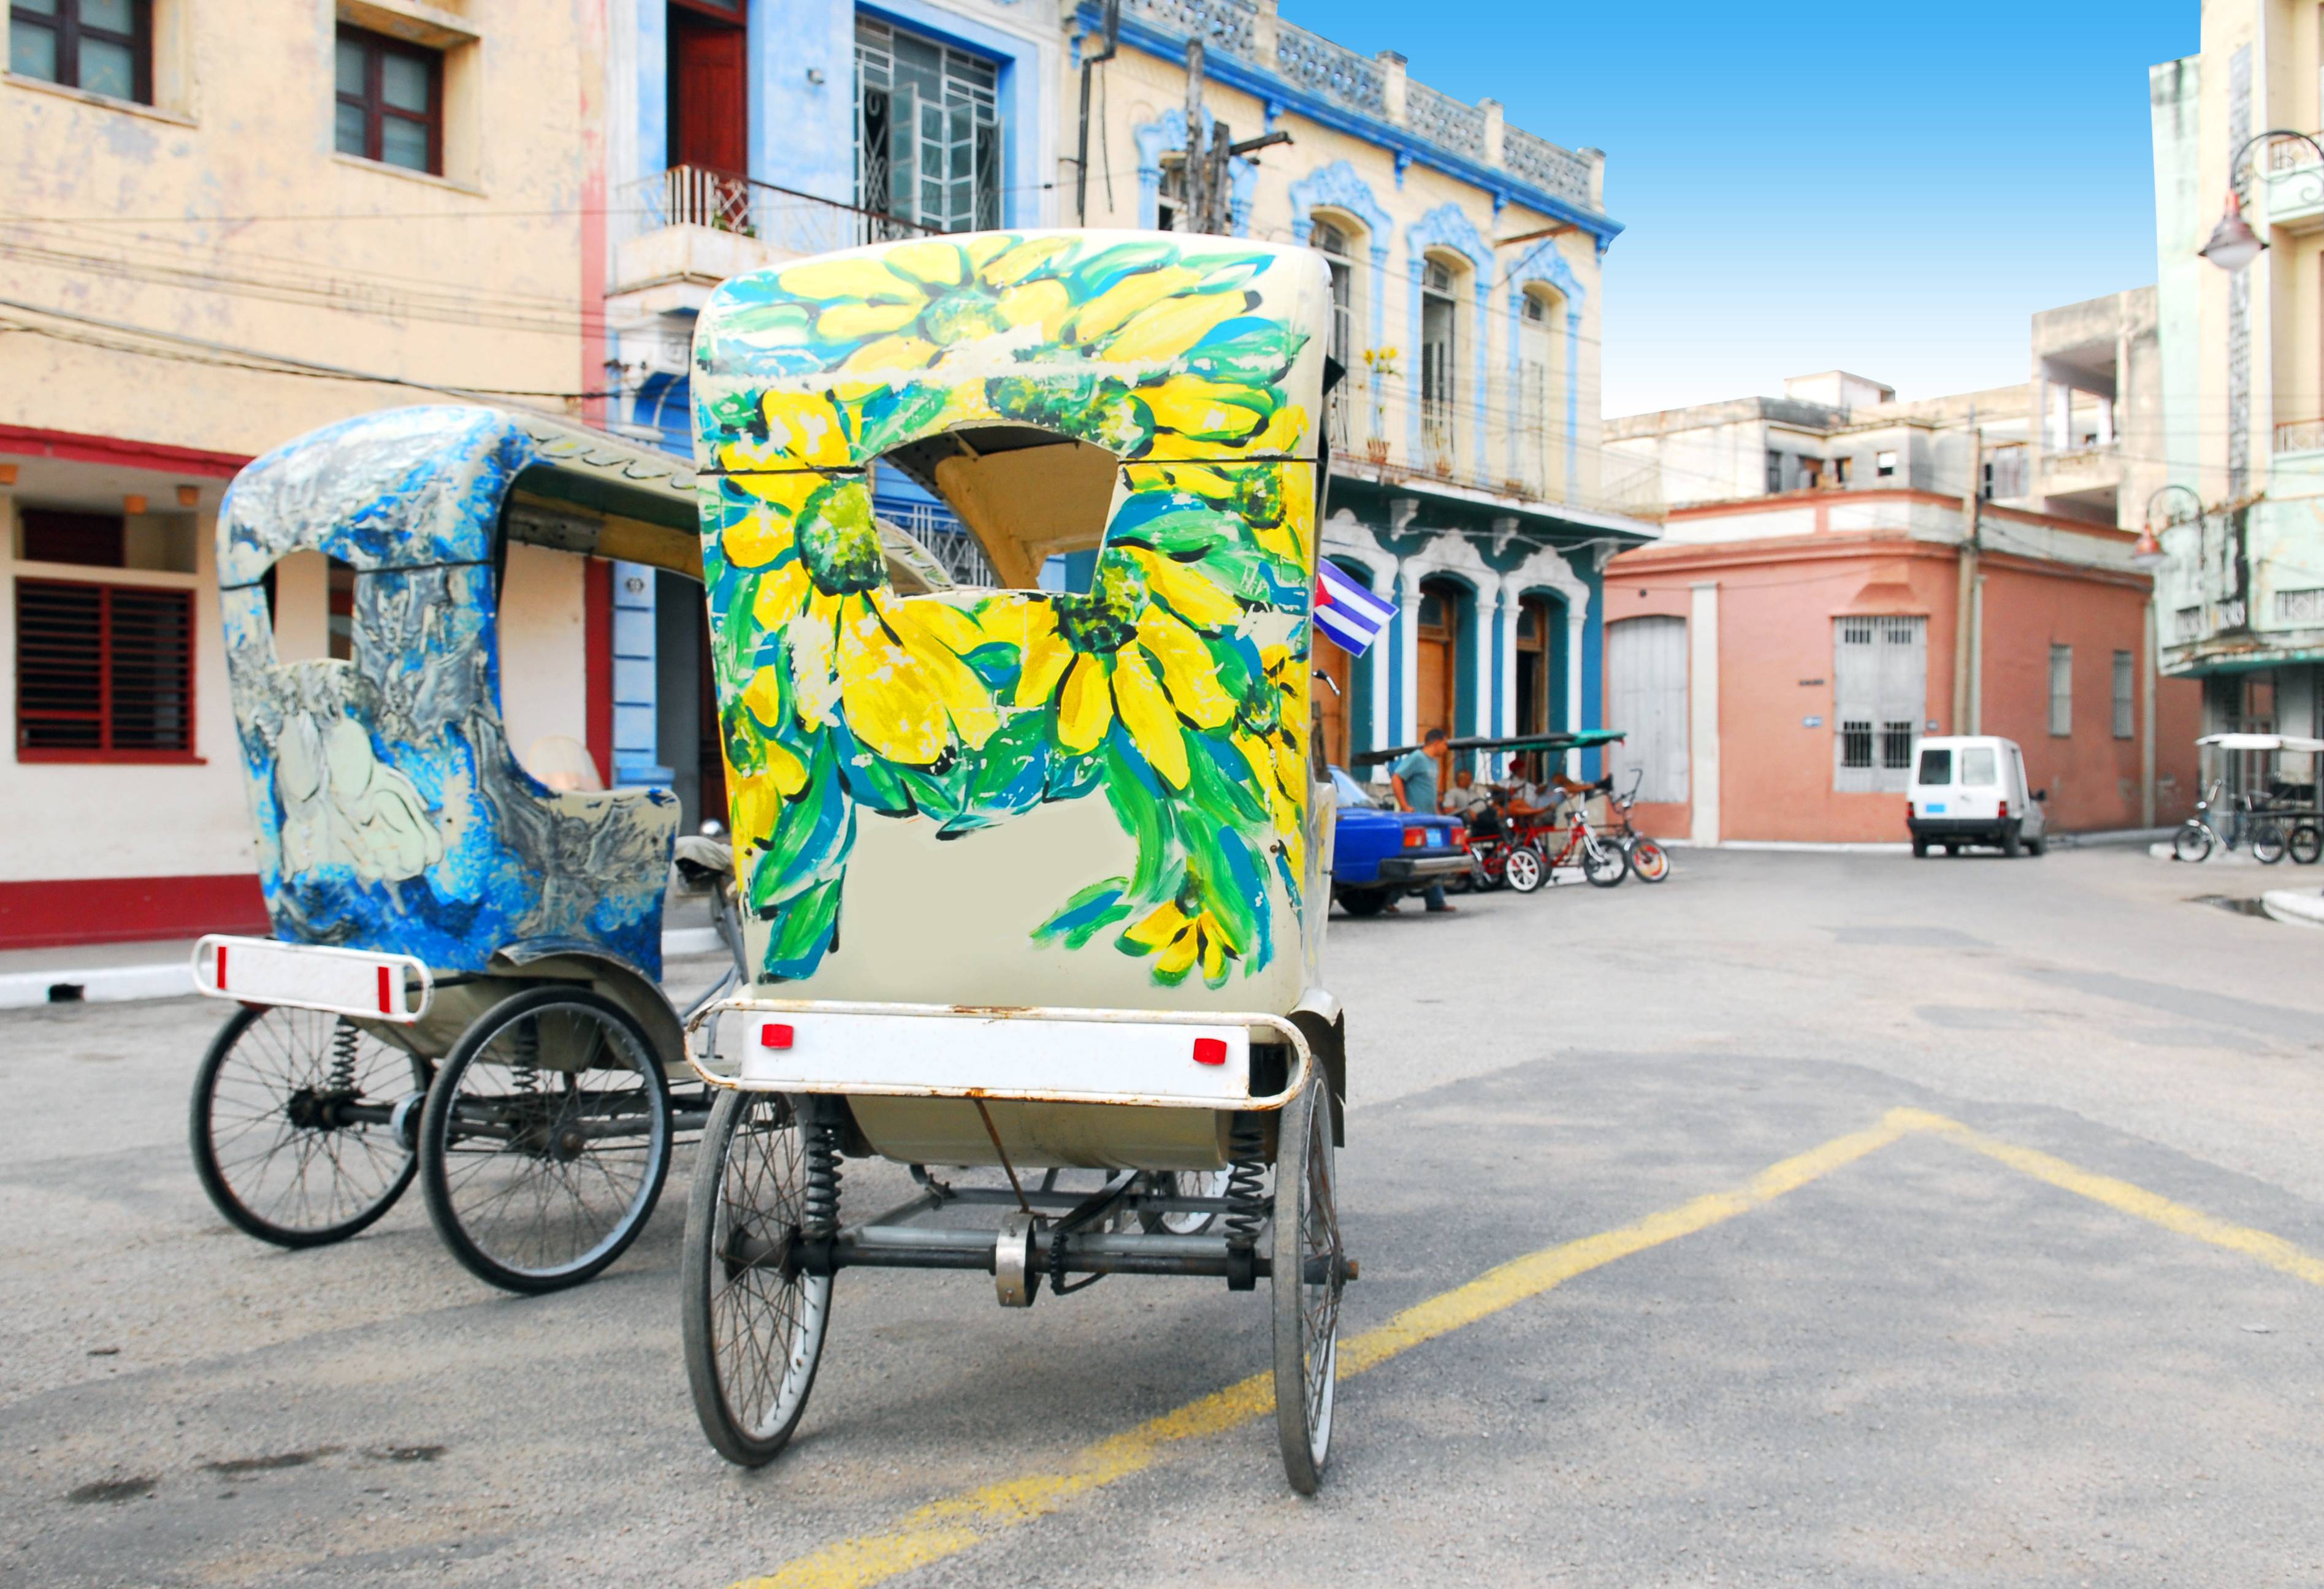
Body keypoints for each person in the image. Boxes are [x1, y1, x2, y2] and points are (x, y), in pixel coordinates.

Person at [1388, 728, 1455, 913]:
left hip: (1429, 817)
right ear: (1436, 742)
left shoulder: (1434, 763)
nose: (1446, 748)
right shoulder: (1417, 758)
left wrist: (1438, 811)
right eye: (1445, 743)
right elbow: (1397, 778)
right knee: (1412, 860)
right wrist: (1405, 805)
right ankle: (1390, 898)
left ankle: (1436, 901)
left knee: (1432, 858)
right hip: (1415, 818)